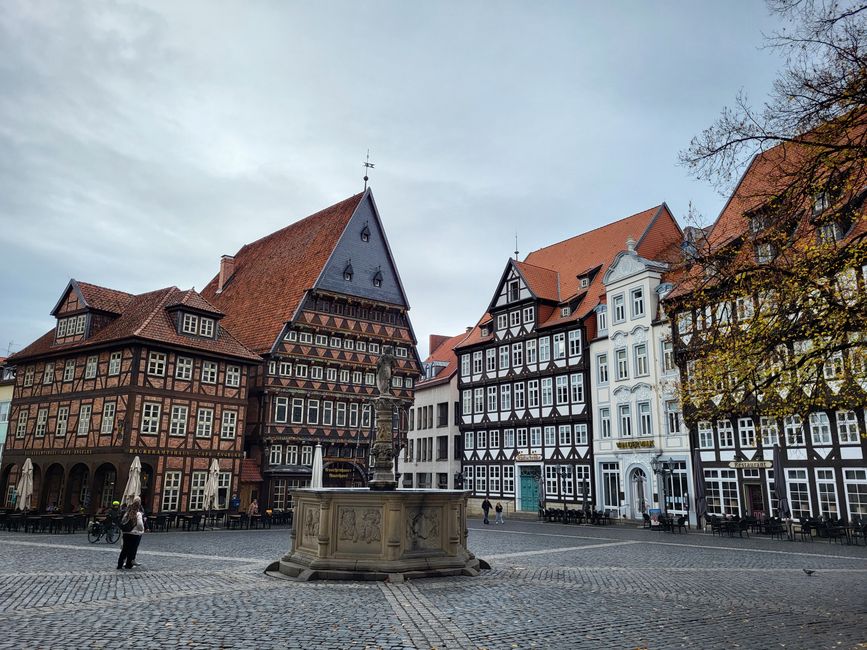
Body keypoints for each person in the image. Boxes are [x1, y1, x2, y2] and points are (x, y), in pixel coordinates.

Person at [117, 497, 145, 570]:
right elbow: (140, 524)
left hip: (126, 533)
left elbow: (123, 521)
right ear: (138, 507)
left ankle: (119, 565)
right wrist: (141, 529)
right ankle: (128, 565)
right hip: (134, 534)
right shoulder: (138, 513)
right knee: (131, 550)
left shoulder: (127, 513)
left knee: (124, 549)